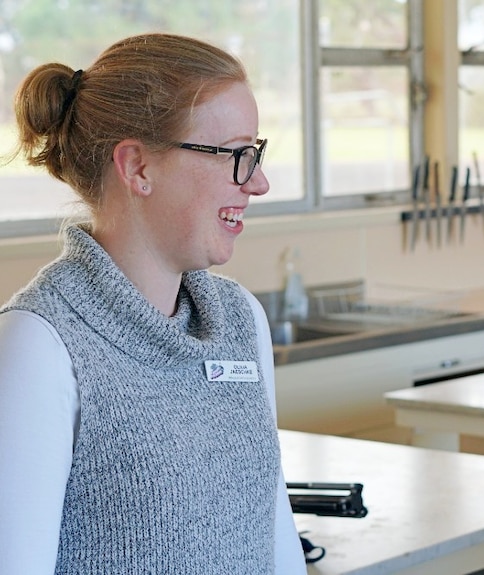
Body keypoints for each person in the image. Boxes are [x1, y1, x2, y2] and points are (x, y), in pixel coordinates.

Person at [0, 34, 308, 574]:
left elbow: (274, 537)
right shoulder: (38, 346)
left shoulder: (240, 320)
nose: (258, 182)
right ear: (138, 167)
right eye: (236, 155)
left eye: (254, 153)